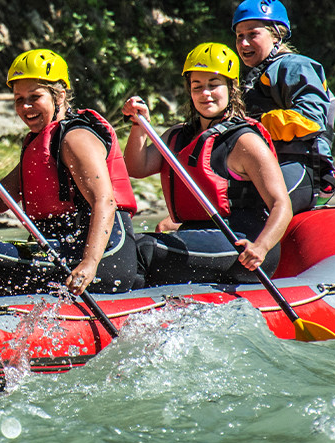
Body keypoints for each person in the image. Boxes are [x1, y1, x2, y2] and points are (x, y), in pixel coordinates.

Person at [0, 49, 139, 295]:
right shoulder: (40, 143)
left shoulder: (75, 138)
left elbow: (105, 201)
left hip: (105, 257)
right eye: (18, 98)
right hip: (64, 249)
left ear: (59, 97)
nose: (25, 106)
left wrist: (89, 264)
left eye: (35, 96)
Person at [121, 43, 293, 286]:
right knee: (127, 243)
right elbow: (137, 168)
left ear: (231, 88)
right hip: (199, 236)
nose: (205, 94)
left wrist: (261, 247)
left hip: (244, 247)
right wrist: (139, 126)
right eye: (197, 87)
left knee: (145, 248)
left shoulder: (245, 142)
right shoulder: (177, 136)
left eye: (214, 85)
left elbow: (281, 205)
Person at [233, 0, 335, 211]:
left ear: (276, 36)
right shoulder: (251, 77)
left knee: (254, 215)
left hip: (302, 167)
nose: (244, 43)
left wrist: (251, 126)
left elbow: (310, 119)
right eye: (239, 36)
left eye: (253, 34)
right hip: (264, 167)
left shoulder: (293, 66)